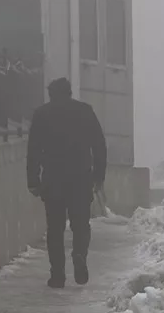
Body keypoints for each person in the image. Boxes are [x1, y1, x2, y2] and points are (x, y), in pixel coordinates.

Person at [27, 78, 107, 289]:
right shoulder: (85, 111)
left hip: (53, 179)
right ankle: (79, 254)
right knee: (81, 224)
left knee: (55, 229)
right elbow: (99, 145)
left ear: (51, 93)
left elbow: (33, 150)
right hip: (80, 177)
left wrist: (33, 180)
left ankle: (57, 275)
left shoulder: (42, 114)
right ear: (70, 92)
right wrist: (99, 176)